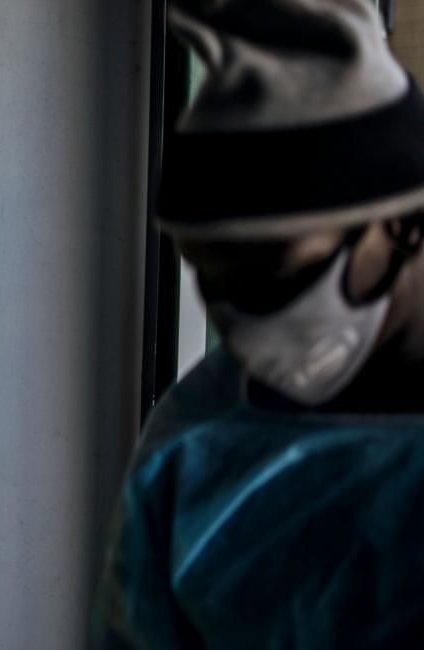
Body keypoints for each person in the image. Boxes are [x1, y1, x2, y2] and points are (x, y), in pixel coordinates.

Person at [96, 0, 424, 647]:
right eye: (207, 275)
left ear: (401, 225)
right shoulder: (199, 447)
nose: (236, 317)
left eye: (267, 269)